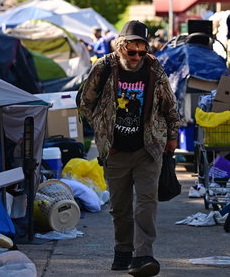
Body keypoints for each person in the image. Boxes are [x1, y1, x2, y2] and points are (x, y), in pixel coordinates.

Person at [80, 20, 181, 277]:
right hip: (115, 151)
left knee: (146, 203)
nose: (136, 57)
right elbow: (85, 103)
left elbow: (170, 105)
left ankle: (143, 255)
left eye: (141, 51)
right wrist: (103, 133)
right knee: (120, 207)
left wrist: (171, 136)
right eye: (131, 51)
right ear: (120, 46)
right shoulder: (103, 67)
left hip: (148, 149)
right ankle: (123, 252)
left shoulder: (154, 68)